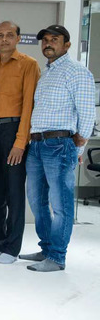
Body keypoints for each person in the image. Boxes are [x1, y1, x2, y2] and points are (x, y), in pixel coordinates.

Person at [20, 25, 95, 272]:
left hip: (59, 145)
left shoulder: (77, 72)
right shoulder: (47, 72)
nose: (48, 44)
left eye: (54, 39)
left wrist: (78, 149)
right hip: (37, 145)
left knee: (60, 204)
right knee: (36, 201)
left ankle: (57, 257)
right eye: (45, 40)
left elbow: (87, 113)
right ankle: (46, 248)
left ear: (67, 45)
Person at [0, 22, 39, 264]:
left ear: (18, 38)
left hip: (14, 131)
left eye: (9, 35)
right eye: (0, 36)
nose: (4, 39)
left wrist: (20, 142)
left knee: (14, 192)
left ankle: (12, 248)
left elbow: (29, 105)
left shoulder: (28, 64)